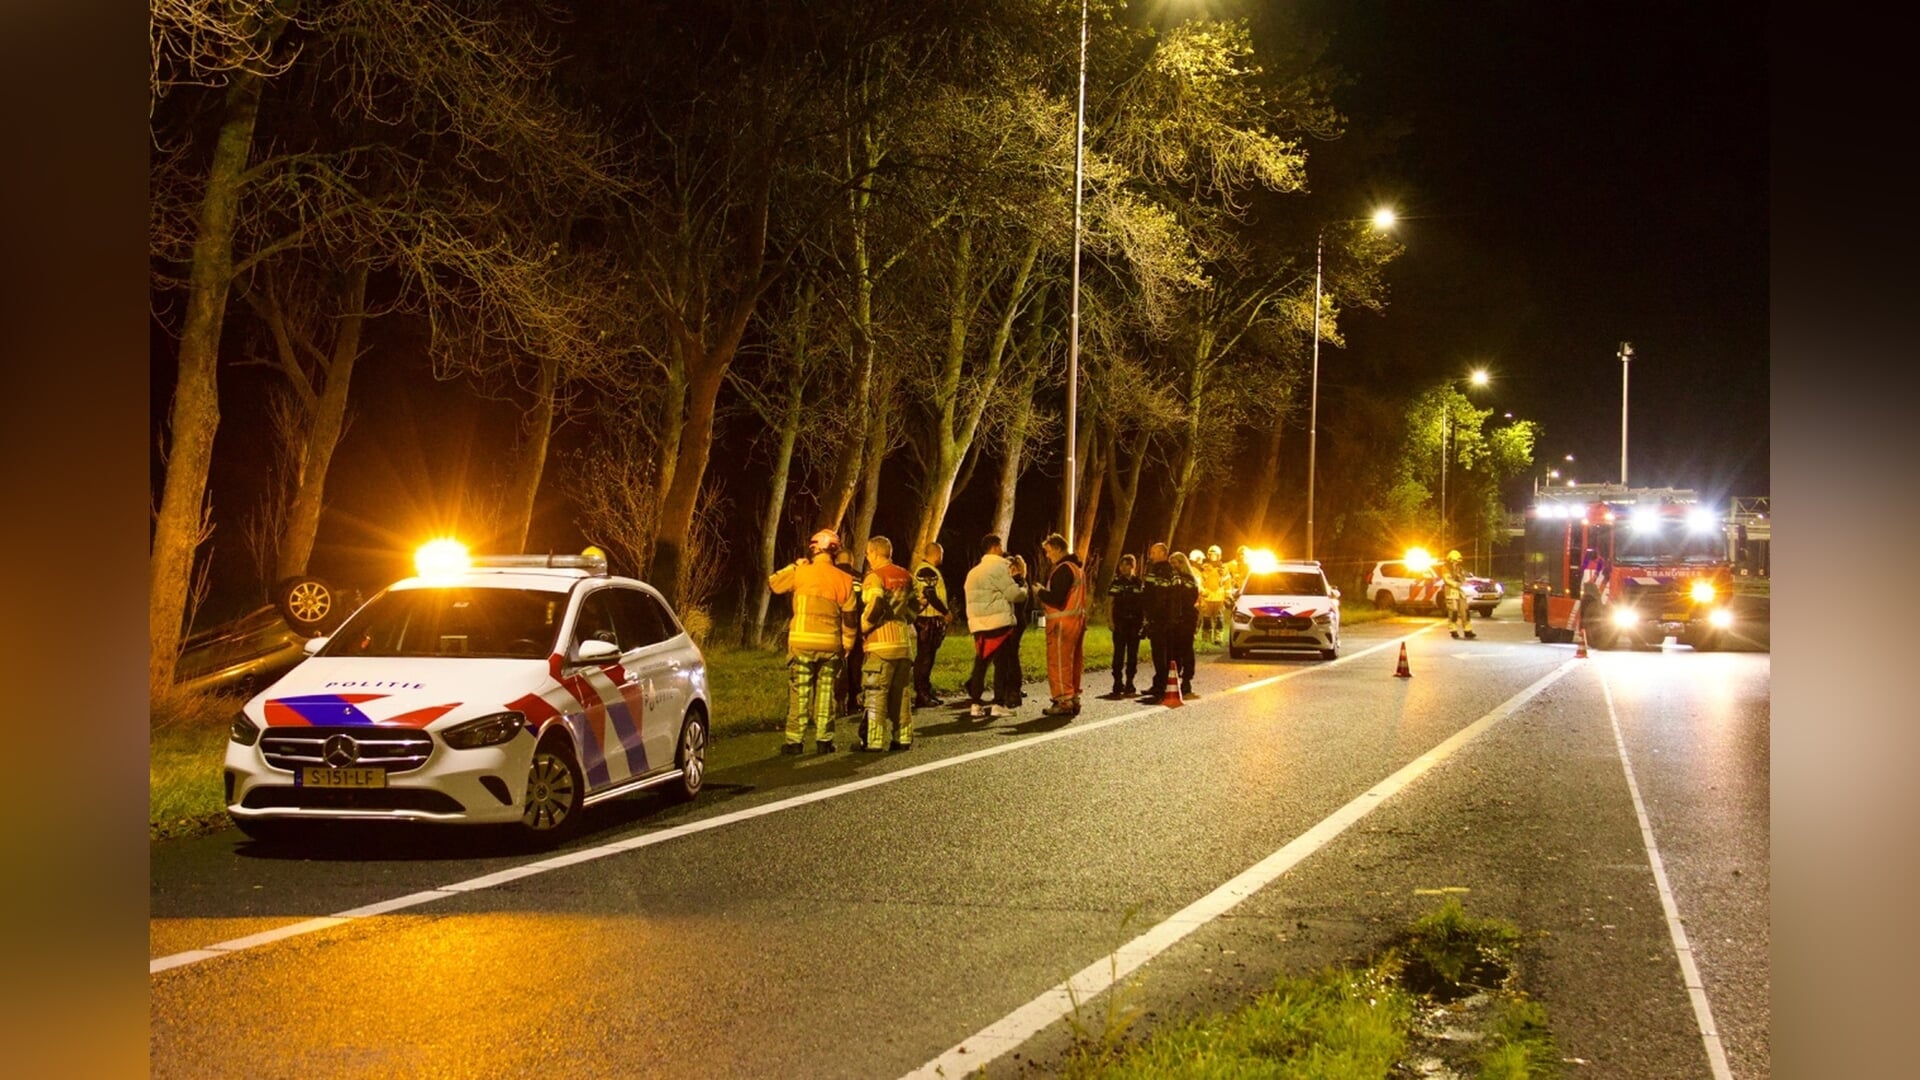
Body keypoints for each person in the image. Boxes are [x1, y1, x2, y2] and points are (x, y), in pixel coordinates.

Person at [768, 529, 858, 753]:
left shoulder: (801, 573)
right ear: (835, 551)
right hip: (830, 645)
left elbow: (774, 583)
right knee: (826, 692)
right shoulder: (845, 579)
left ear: (814, 548)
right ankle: (824, 741)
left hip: (801, 644)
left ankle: (794, 742)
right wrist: (848, 642)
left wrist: (794, 566)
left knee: (800, 692)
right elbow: (850, 616)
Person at [858, 536, 919, 751]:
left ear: (874, 553)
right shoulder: (906, 575)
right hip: (903, 644)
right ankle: (902, 738)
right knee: (901, 694)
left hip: (880, 645)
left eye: (868, 554)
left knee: (876, 693)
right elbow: (915, 607)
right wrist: (902, 619)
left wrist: (864, 626)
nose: (867, 558)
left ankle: (874, 741)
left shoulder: (874, 577)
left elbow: (875, 604)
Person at [962, 534, 1027, 718]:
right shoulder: (1000, 567)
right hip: (998, 624)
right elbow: (1015, 595)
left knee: (981, 664)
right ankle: (998, 703)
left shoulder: (973, 572)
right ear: (996, 547)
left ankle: (975, 704)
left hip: (978, 625)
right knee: (1001, 665)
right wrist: (1023, 587)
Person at [1036, 533, 1088, 717]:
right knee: (1073, 662)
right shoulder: (1077, 568)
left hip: (1061, 625)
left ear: (1058, 549)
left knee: (1059, 663)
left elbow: (1057, 599)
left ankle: (1063, 700)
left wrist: (1040, 592)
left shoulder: (1063, 569)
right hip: (1076, 622)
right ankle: (1073, 697)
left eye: (1049, 552)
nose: (1047, 556)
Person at [910, 542, 950, 708]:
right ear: (936, 553)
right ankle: (922, 694)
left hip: (929, 619)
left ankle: (926, 690)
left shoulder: (925, 569)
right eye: (941, 553)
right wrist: (945, 611)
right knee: (925, 658)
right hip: (927, 620)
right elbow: (929, 593)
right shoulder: (926, 571)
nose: (942, 557)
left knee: (928, 657)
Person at [1139, 542, 1179, 701]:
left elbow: (1157, 596)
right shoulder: (1171, 571)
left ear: (1163, 553)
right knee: (1164, 653)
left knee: (1159, 653)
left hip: (1160, 619)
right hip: (1168, 619)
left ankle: (1160, 686)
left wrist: (1151, 616)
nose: (1151, 556)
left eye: (1154, 552)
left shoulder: (1160, 571)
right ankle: (1160, 683)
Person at [1105, 553, 1146, 697]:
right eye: (1121, 565)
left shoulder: (1139, 583)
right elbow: (1110, 603)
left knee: (1132, 654)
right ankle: (1117, 682)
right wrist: (1110, 620)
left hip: (1134, 623)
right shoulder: (1116, 582)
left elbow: (1143, 605)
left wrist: (1144, 621)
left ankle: (1130, 681)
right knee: (1118, 654)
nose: (1122, 568)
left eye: (1126, 565)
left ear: (1132, 567)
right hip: (1120, 622)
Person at [1165, 550, 1202, 696]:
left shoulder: (1189, 579)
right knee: (1172, 650)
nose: (1173, 565)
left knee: (1186, 648)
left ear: (1182, 563)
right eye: (1171, 563)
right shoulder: (1171, 579)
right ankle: (1173, 676)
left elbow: (1190, 599)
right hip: (1173, 618)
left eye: (1175, 563)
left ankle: (1186, 679)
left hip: (1186, 618)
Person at [1006, 554, 1033, 707]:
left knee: (1011, 655)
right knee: (1011, 654)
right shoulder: (1021, 583)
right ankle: (1012, 687)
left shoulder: (1018, 583)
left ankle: (1014, 688)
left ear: (1015, 568)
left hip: (1015, 622)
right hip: (1018, 621)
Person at [1441, 549, 1477, 640]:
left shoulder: (1459, 569)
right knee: (1453, 611)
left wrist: (1464, 582)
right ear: (1451, 560)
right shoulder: (1445, 568)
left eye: (1458, 561)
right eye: (1456, 561)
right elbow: (1447, 579)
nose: (1457, 563)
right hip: (1451, 592)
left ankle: (1468, 630)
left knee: (1465, 611)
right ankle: (1453, 630)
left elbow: (1463, 578)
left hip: (1461, 592)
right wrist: (1456, 584)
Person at [1198, 550, 1228, 646]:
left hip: (1219, 597)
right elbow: (1200, 581)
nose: (1213, 556)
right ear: (1208, 555)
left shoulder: (1224, 569)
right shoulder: (1204, 568)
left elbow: (1228, 583)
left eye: (1215, 554)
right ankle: (1206, 638)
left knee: (1219, 619)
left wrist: (1228, 595)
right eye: (1211, 554)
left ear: (1219, 555)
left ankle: (1218, 638)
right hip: (1207, 598)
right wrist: (1202, 591)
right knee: (1206, 619)